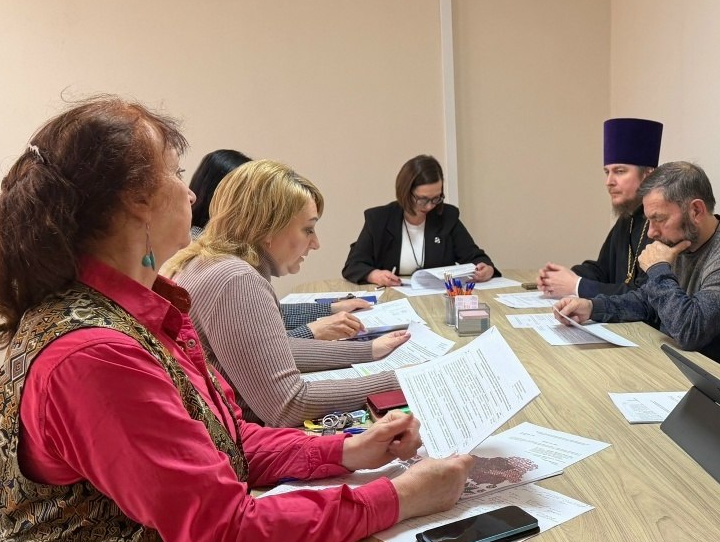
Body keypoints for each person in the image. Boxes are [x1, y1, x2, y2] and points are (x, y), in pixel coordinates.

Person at [0, 96, 473, 542]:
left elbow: (226, 442)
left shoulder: (134, 313)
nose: (190, 192)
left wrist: (346, 452)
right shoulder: (95, 355)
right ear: (136, 202)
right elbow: (229, 535)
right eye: (176, 174)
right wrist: (400, 497)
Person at [165, 159, 411, 427]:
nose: (315, 243)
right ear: (268, 229)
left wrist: (368, 350)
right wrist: (403, 380)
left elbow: (273, 349)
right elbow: (288, 405)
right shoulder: (236, 279)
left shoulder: (211, 262)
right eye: (308, 229)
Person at [554, 161, 720, 372]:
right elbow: (647, 302)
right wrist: (592, 307)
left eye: (659, 219)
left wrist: (658, 268)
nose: (651, 233)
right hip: (679, 367)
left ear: (696, 210)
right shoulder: (682, 241)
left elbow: (689, 331)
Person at [190, 148, 369, 341]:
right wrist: (314, 331)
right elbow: (262, 347)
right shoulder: (233, 273)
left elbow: (266, 317)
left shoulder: (210, 252)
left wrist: (329, 309)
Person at [537, 116, 662, 299]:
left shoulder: (662, 225)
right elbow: (602, 270)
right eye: (607, 172)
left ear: (648, 175)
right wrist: (561, 277)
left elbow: (645, 296)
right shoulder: (627, 219)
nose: (609, 182)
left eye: (619, 171)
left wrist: (576, 285)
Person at [342, 154, 498, 287]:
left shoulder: (446, 216)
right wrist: (374, 275)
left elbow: (475, 257)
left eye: (436, 198)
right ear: (405, 192)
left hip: (437, 299)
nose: (430, 206)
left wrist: (487, 269)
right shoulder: (379, 219)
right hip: (392, 298)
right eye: (422, 199)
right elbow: (353, 265)